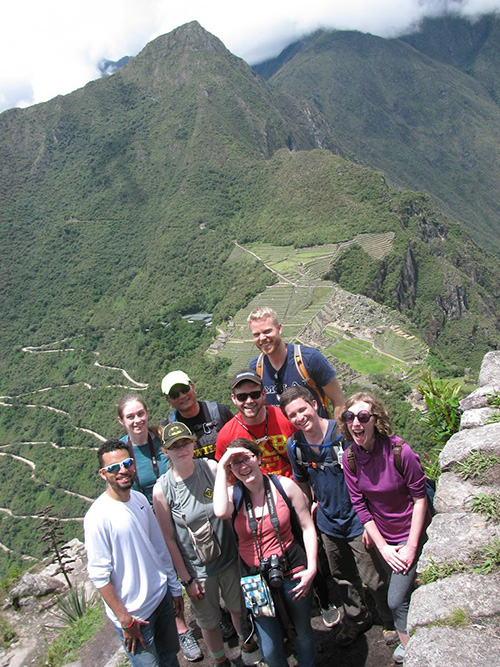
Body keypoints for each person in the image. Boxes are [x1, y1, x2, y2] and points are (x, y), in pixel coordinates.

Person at [280, 386, 397, 646]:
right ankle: (356, 618)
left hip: (358, 518)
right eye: (292, 415)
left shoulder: (342, 434)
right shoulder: (295, 446)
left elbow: (369, 475)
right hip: (328, 522)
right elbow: (302, 483)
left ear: (314, 404)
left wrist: (371, 521)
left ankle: (389, 619)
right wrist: (308, 509)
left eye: (302, 409)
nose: (300, 417)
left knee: (374, 577)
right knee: (342, 577)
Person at [340, 392, 432, 665]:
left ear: (375, 421)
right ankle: (414, 642)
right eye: (350, 417)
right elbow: (360, 505)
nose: (356, 423)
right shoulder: (350, 459)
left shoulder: (399, 451)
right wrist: (383, 546)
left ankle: (410, 650)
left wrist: (411, 547)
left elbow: (419, 498)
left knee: (395, 599)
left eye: (363, 417)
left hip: (410, 532)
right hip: (384, 537)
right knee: (401, 592)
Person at [152, 423, 253, 667]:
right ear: (165, 451)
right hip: (198, 570)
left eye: (185, 442)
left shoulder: (210, 468)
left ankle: (248, 649)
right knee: (208, 621)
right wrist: (186, 579)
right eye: (174, 446)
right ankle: (220, 661)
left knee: (238, 609)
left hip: (229, 557)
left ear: (193, 443)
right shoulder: (162, 490)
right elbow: (169, 538)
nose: (181, 449)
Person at [214, 437, 318, 667]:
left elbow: (307, 526)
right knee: (269, 648)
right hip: (254, 578)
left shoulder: (284, 486)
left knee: (302, 631)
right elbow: (220, 511)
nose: (243, 466)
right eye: (235, 463)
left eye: (247, 458)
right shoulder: (234, 496)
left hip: (292, 567)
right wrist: (222, 466)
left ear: (259, 458)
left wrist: (312, 568)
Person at [117, 395, 202, 662]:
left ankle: (208, 613)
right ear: (122, 421)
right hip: (146, 524)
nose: (137, 420)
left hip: (177, 513)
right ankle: (182, 628)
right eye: (130, 416)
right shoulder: (122, 452)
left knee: (191, 564)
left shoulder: (161, 438)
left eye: (140, 414)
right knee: (166, 576)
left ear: (147, 413)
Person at [84, 439, 181, 667]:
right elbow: (99, 575)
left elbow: (159, 546)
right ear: (103, 474)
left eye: (127, 463)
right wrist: (125, 620)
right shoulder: (98, 517)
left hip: (161, 599)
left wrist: (174, 588)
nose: (123, 470)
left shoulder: (138, 499)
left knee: (170, 658)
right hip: (136, 616)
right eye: (114, 468)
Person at [247, 306, 345, 420]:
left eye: (267, 331)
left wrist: (339, 434)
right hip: (281, 436)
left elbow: (339, 400)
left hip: (317, 434)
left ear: (279, 328)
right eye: (256, 334)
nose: (262, 338)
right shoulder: (256, 367)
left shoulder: (310, 359)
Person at [215, 370, 296, 478]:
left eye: (254, 395)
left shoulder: (286, 418)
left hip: (293, 488)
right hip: (254, 492)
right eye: (242, 397)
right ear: (233, 399)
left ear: (263, 394)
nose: (249, 401)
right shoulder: (226, 435)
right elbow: (226, 474)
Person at [161, 370, 234, 460]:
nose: (182, 396)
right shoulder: (168, 429)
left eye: (184, 390)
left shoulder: (219, 412)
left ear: (193, 387)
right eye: (174, 395)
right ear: (168, 400)